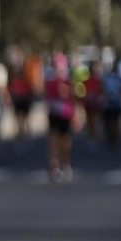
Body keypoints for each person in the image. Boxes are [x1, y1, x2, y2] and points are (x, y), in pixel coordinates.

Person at [44, 51, 78, 183]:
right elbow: (46, 97)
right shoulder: (50, 82)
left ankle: (65, 162)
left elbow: (74, 99)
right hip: (54, 114)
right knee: (53, 141)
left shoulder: (69, 82)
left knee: (65, 143)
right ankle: (54, 166)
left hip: (66, 114)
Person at [6, 46, 35, 138]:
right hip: (16, 95)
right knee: (18, 115)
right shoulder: (11, 69)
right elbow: (9, 83)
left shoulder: (26, 68)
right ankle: (20, 131)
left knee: (25, 114)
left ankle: (24, 129)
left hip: (25, 95)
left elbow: (31, 81)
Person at [100, 58, 121, 152]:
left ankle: (115, 140)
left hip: (116, 104)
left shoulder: (120, 79)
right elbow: (102, 90)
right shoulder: (106, 78)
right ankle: (110, 139)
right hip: (107, 105)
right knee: (108, 123)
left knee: (115, 123)